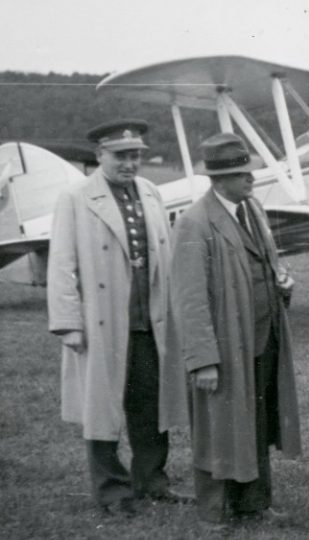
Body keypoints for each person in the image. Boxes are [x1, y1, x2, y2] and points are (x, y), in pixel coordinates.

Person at [47, 119, 189, 515]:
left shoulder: (150, 192)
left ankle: (152, 480)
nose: (130, 164)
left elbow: (166, 258)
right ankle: (112, 490)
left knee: (151, 406)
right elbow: (61, 263)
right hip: (102, 324)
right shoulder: (75, 197)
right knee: (103, 408)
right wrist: (68, 323)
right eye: (121, 156)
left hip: (149, 321)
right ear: (99, 156)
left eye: (136, 156)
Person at [171, 133, 301, 528]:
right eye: (243, 173)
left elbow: (262, 264)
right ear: (220, 178)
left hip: (263, 340)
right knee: (217, 426)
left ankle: (254, 503)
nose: (252, 179)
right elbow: (189, 299)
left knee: (257, 421)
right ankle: (213, 511)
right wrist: (203, 360)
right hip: (225, 347)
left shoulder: (252, 209)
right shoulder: (195, 222)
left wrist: (281, 283)